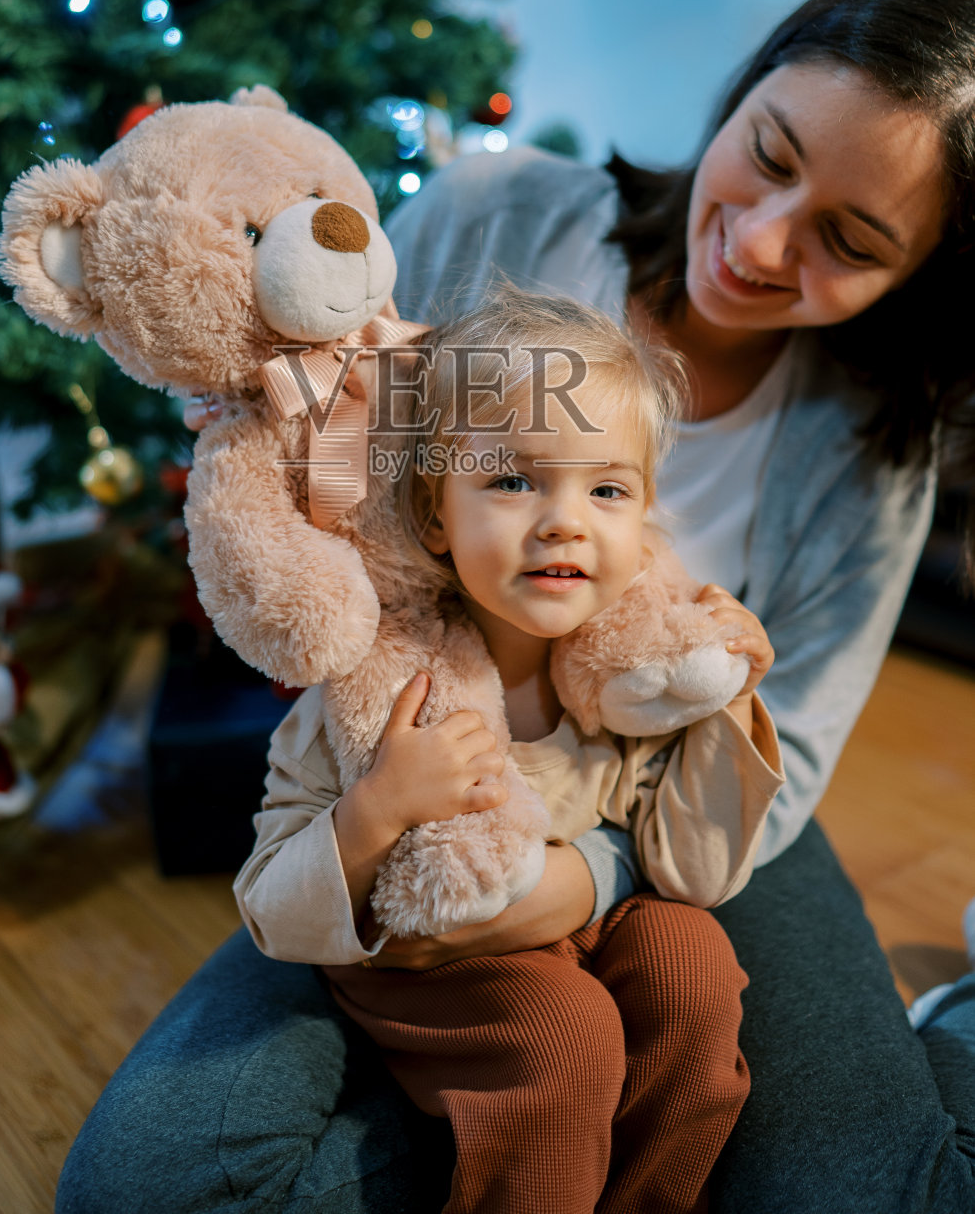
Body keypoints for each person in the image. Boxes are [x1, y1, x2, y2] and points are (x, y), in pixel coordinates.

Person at [56, 0, 975, 1214]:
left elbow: (786, 757)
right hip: (415, 783)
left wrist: (576, 883)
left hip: (667, 818)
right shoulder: (491, 215)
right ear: (745, 92)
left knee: (871, 1191)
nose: (760, 242)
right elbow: (327, 468)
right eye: (767, 154)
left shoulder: (868, 449)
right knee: (142, 1189)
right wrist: (397, 849)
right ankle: (550, 1102)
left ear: (916, 278)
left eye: (849, 239)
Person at [234, 289, 784, 1214]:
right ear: (437, 515)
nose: (565, 521)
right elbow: (271, 911)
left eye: (605, 489)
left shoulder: (629, 679)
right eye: (514, 480)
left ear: (643, 521)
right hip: (433, 965)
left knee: (690, 956)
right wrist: (379, 809)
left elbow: (692, 870)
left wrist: (730, 699)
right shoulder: (378, 690)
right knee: (561, 1031)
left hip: (584, 926)